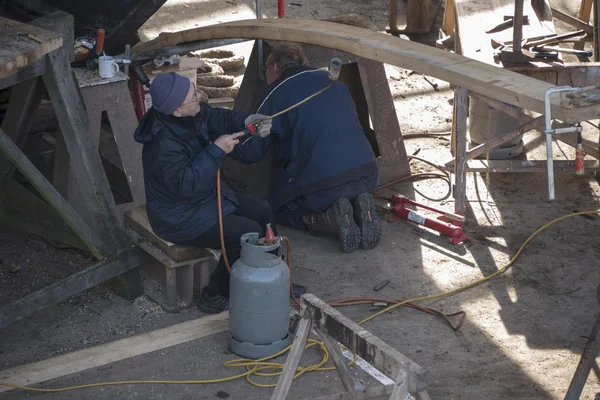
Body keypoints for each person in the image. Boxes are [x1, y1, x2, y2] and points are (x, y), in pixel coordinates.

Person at [134, 72, 304, 314]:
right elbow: (187, 184)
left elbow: (219, 118)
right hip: (178, 217)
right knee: (246, 232)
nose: (199, 96)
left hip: (201, 201)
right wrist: (216, 150)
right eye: (193, 95)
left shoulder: (191, 113)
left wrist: (248, 121)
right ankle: (214, 294)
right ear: (177, 111)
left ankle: (275, 279)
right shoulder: (162, 146)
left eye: (194, 90)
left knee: (263, 210)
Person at [234, 44, 382, 253]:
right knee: (341, 183)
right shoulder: (334, 82)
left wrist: (224, 140)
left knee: (274, 209)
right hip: (367, 174)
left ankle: (329, 219)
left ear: (274, 66)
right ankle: (360, 207)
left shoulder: (276, 90)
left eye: (266, 69)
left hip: (325, 182)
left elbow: (251, 151)